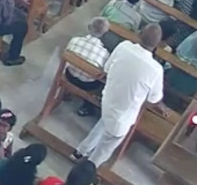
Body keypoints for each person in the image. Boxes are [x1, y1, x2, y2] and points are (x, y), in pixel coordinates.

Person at [72, 24, 169, 166]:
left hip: (109, 99)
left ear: (140, 33)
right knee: (106, 147)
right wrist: (162, 107)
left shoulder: (124, 46)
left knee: (104, 123)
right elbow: (154, 98)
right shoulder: (156, 69)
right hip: (123, 116)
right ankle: (89, 167)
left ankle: (80, 151)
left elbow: (107, 68)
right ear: (158, 45)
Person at [65, 17, 111, 116]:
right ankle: (87, 106)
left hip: (69, 75)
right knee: (102, 81)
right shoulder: (105, 54)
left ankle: (66, 92)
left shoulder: (75, 40)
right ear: (105, 34)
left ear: (89, 27)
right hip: (88, 84)